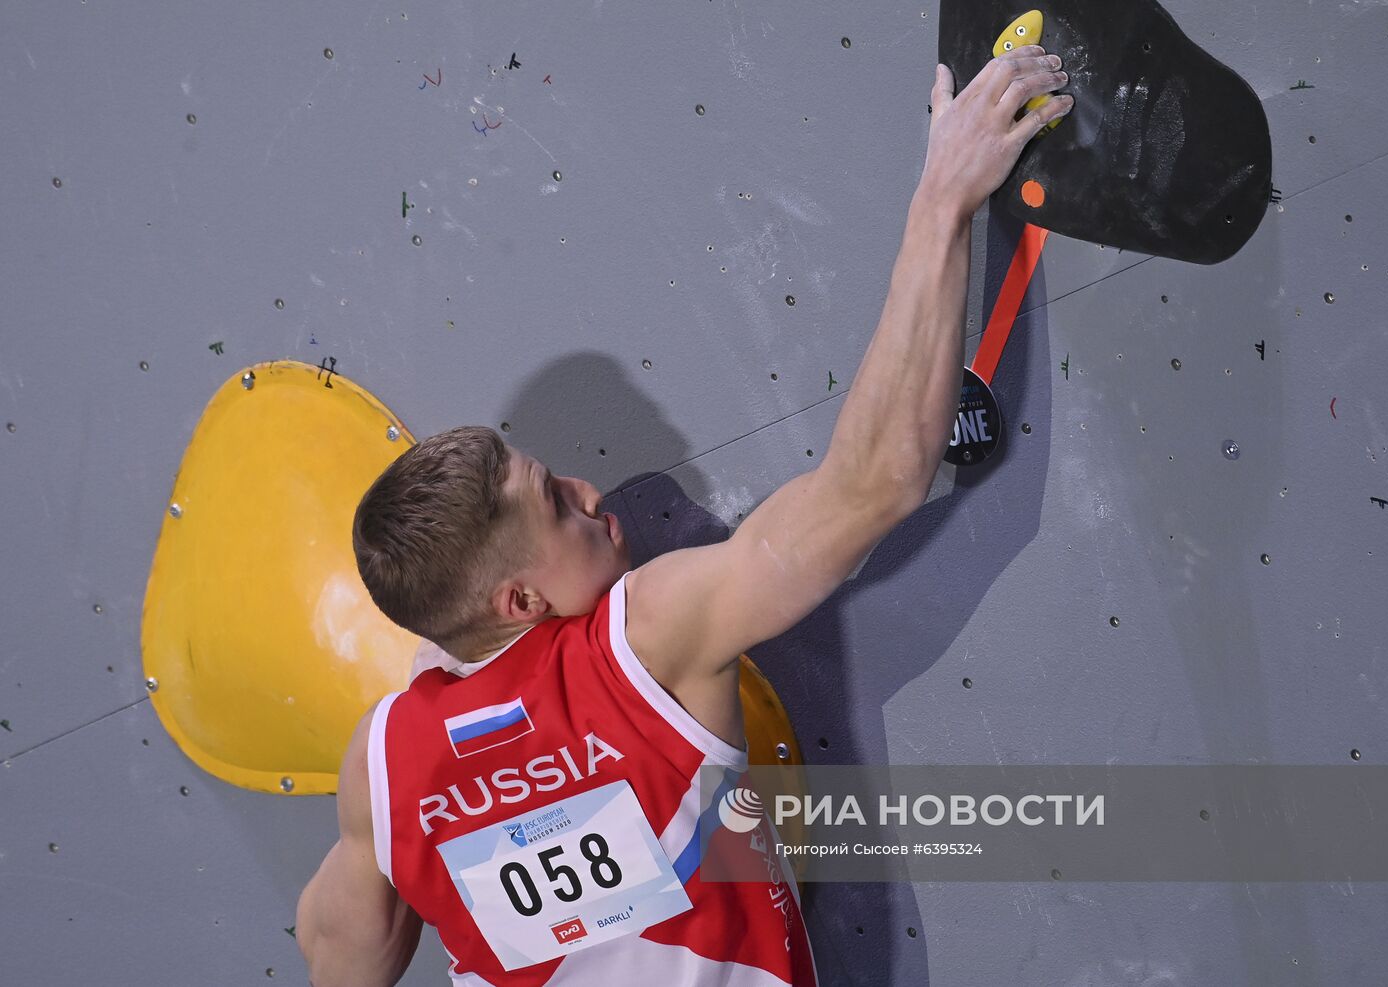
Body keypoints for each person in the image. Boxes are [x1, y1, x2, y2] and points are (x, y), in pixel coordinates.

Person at [295, 45, 1072, 987]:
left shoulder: (382, 765)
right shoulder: (642, 642)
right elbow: (875, 484)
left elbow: (336, 953)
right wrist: (943, 200)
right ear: (518, 600)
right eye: (553, 502)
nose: (589, 492)